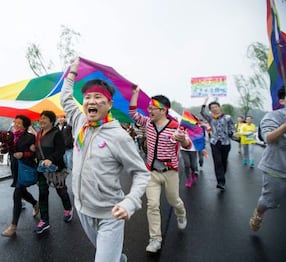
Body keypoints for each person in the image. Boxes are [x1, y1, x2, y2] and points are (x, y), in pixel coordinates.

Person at [60, 59, 150, 262]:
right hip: (82, 209)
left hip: (111, 213)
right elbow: (65, 99)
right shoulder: (79, 121)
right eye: (87, 97)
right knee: (110, 256)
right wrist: (72, 74)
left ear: (109, 104)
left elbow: (141, 173)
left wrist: (130, 202)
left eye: (98, 97)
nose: (91, 101)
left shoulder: (118, 136)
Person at [129, 88, 191, 253]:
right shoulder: (148, 123)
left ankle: (181, 213)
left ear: (163, 110)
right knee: (152, 205)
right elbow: (133, 114)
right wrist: (134, 93)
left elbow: (188, 145)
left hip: (170, 172)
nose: (149, 111)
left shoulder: (176, 127)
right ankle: (155, 239)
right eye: (149, 108)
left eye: (152, 108)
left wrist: (183, 140)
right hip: (151, 172)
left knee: (174, 200)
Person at [249, 88, 286, 231]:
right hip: (276, 167)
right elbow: (269, 138)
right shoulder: (273, 117)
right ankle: (258, 213)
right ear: (282, 100)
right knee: (269, 201)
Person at [34, 110, 73, 234]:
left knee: (61, 190)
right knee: (43, 193)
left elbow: (61, 150)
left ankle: (68, 208)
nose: (41, 120)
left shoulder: (57, 133)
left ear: (51, 121)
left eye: (44, 118)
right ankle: (44, 221)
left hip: (55, 168)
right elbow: (39, 150)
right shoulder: (39, 134)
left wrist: (51, 159)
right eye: (40, 118)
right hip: (41, 169)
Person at [1, 115, 39, 237]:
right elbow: (9, 151)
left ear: (25, 125)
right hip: (15, 168)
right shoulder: (11, 136)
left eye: (19, 123)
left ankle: (13, 226)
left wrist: (23, 154)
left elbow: (34, 154)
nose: (16, 125)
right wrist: (4, 148)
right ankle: (35, 203)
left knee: (17, 193)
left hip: (26, 167)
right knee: (22, 191)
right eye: (15, 122)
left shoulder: (30, 137)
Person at [200, 97, 235, 191]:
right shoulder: (210, 118)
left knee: (224, 161)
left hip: (226, 142)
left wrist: (231, 133)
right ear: (210, 110)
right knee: (217, 161)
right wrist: (204, 103)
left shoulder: (227, 117)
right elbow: (202, 113)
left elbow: (232, 127)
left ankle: (222, 174)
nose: (214, 109)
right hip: (215, 142)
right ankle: (221, 182)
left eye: (216, 107)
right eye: (212, 108)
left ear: (219, 107)